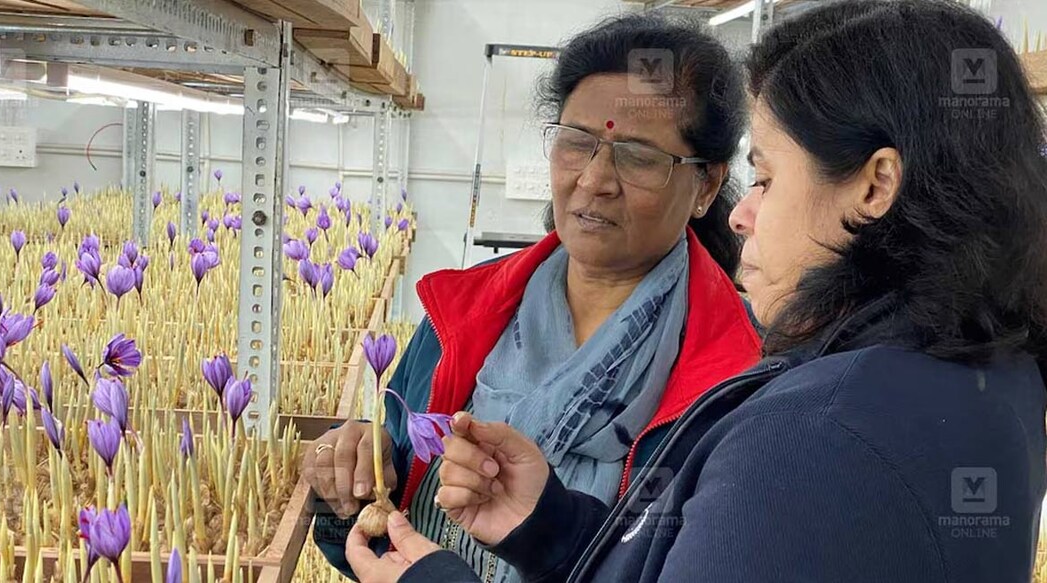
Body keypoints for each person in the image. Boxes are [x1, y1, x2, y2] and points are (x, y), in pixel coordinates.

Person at [342, 1, 1047, 582]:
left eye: (765, 177)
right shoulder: (984, 369)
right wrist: (553, 531)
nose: (594, 179)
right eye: (576, 142)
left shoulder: (806, 431)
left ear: (874, 185)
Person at [303, 13, 763, 582]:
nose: (595, 179)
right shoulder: (467, 312)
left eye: (639, 156)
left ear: (707, 185)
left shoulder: (737, 383)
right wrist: (351, 480)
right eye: (577, 143)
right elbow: (382, 514)